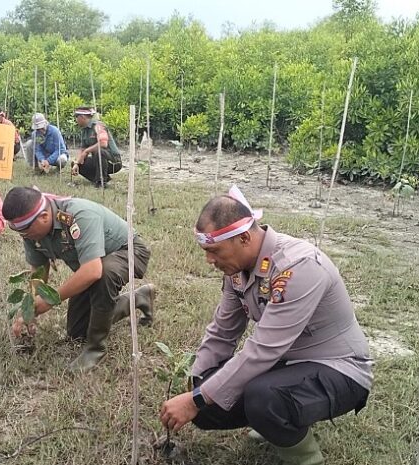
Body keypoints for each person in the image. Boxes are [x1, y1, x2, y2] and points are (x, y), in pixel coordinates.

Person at [159, 186, 373, 465]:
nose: (209, 260)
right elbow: (222, 332)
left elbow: (262, 351)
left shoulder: (298, 267)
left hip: (340, 370)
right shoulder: (237, 271)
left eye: (214, 251)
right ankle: (276, 419)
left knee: (262, 399)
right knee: (208, 397)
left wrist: (195, 400)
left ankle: (306, 457)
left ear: (244, 238)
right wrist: (196, 383)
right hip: (288, 365)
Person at [2, 186, 155, 373]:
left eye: (25, 231)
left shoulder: (79, 215)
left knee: (104, 273)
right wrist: (30, 309)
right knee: (77, 331)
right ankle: (139, 298)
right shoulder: (31, 230)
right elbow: (39, 271)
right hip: (95, 265)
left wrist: (51, 300)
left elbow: (92, 271)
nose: (23, 236)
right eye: (19, 232)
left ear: (43, 217)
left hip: (130, 252)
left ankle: (96, 349)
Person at [71, 107, 122, 188]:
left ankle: (101, 182)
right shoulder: (84, 131)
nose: (76, 120)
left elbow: (103, 143)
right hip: (98, 160)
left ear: (82, 117)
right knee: (76, 163)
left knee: (100, 152)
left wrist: (87, 151)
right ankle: (101, 179)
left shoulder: (98, 126)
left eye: (76, 117)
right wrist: (76, 164)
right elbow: (83, 150)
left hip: (113, 161)